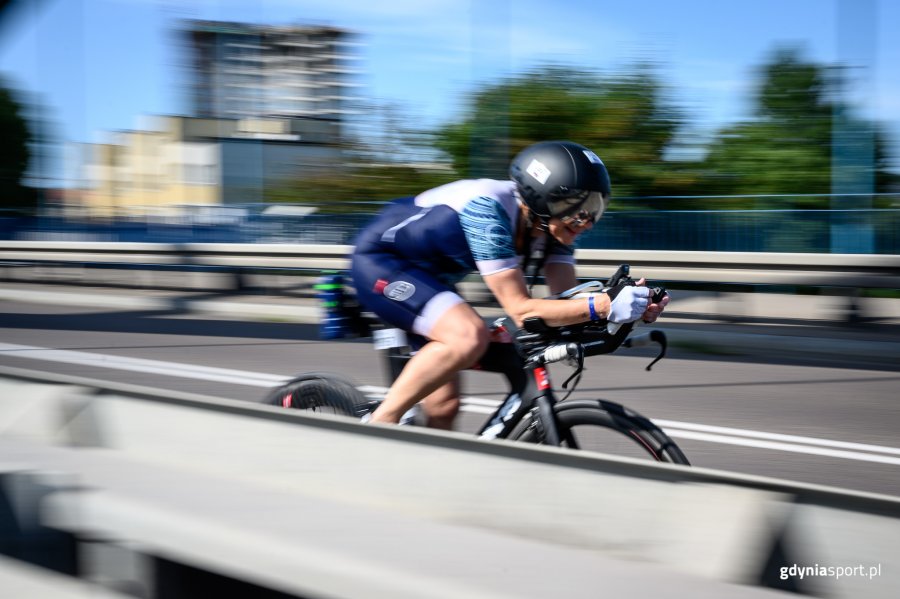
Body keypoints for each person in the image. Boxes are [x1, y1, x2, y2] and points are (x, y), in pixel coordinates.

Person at [350, 140, 669, 429]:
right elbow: (520, 310)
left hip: (431, 279)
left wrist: (628, 309)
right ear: (543, 201)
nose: (584, 222)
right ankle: (379, 425)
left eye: (594, 210)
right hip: (382, 263)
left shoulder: (554, 228)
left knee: (444, 407)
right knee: (467, 336)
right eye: (576, 210)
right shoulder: (486, 211)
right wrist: (604, 305)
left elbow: (565, 303)